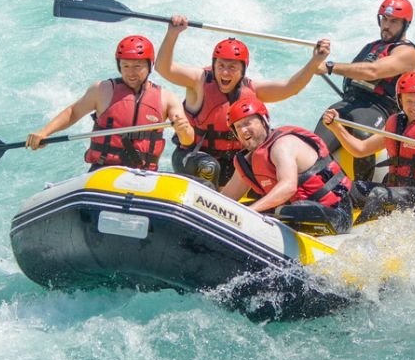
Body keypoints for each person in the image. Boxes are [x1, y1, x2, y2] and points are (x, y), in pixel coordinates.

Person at [156, 14, 330, 186]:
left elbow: (290, 88)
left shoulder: (252, 90)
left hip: (232, 162)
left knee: (268, 160)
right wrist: (173, 33)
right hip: (194, 157)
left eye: (232, 67)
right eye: (221, 66)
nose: (225, 72)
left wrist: (315, 61)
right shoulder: (198, 81)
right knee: (209, 168)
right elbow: (164, 68)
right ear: (214, 65)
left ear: (242, 70)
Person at [321, 72, 415, 222]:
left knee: (381, 195)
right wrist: (336, 127)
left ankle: (357, 233)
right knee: (345, 188)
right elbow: (360, 150)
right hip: (399, 192)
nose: (414, 106)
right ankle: (333, 223)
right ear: (400, 102)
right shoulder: (396, 125)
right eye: (409, 101)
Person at [25, 35, 193, 171]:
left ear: (149, 66)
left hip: (144, 175)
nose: (131, 73)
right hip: (104, 169)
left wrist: (183, 130)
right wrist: (44, 132)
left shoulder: (167, 98)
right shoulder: (102, 90)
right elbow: (73, 113)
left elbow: (187, 140)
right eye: (125, 66)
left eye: (137, 66)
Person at [313, 0, 415, 179]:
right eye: (384, 19)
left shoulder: (409, 53)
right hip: (348, 103)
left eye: (393, 21)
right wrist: (318, 59)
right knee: (314, 148)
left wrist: (330, 66)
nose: (386, 26)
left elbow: (373, 71)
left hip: (379, 110)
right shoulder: (372, 46)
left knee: (362, 133)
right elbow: (354, 71)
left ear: (406, 24)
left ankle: (361, 195)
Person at [220, 98, 354, 235]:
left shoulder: (282, 145)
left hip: (336, 213)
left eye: (248, 123)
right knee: (235, 210)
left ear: (264, 120)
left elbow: (288, 187)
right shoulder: (247, 162)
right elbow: (226, 199)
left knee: (288, 211)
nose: (243, 130)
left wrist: (251, 212)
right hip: (294, 209)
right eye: (238, 127)